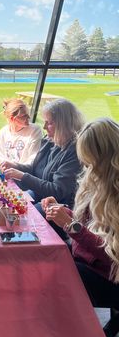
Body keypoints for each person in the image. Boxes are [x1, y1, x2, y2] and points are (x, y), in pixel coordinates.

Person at [42, 118, 119, 308]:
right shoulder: (97, 177)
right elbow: (88, 224)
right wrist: (63, 212)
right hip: (87, 261)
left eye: (91, 160)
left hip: (109, 277)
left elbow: (112, 257)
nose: (87, 166)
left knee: (57, 273)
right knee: (44, 256)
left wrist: (70, 225)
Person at [1, 99, 84, 210]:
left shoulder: (73, 151)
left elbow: (57, 191)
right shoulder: (49, 140)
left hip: (57, 205)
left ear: (63, 125)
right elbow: (35, 168)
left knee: (23, 215)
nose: (44, 127)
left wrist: (22, 176)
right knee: (9, 203)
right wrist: (15, 166)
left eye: (49, 123)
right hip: (40, 194)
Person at [0, 98, 42, 164]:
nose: (28, 117)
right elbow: (0, 156)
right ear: (12, 118)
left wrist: (15, 168)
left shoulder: (34, 130)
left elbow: (33, 159)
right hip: (6, 171)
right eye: (24, 116)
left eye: (28, 114)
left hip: (24, 172)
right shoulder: (3, 132)